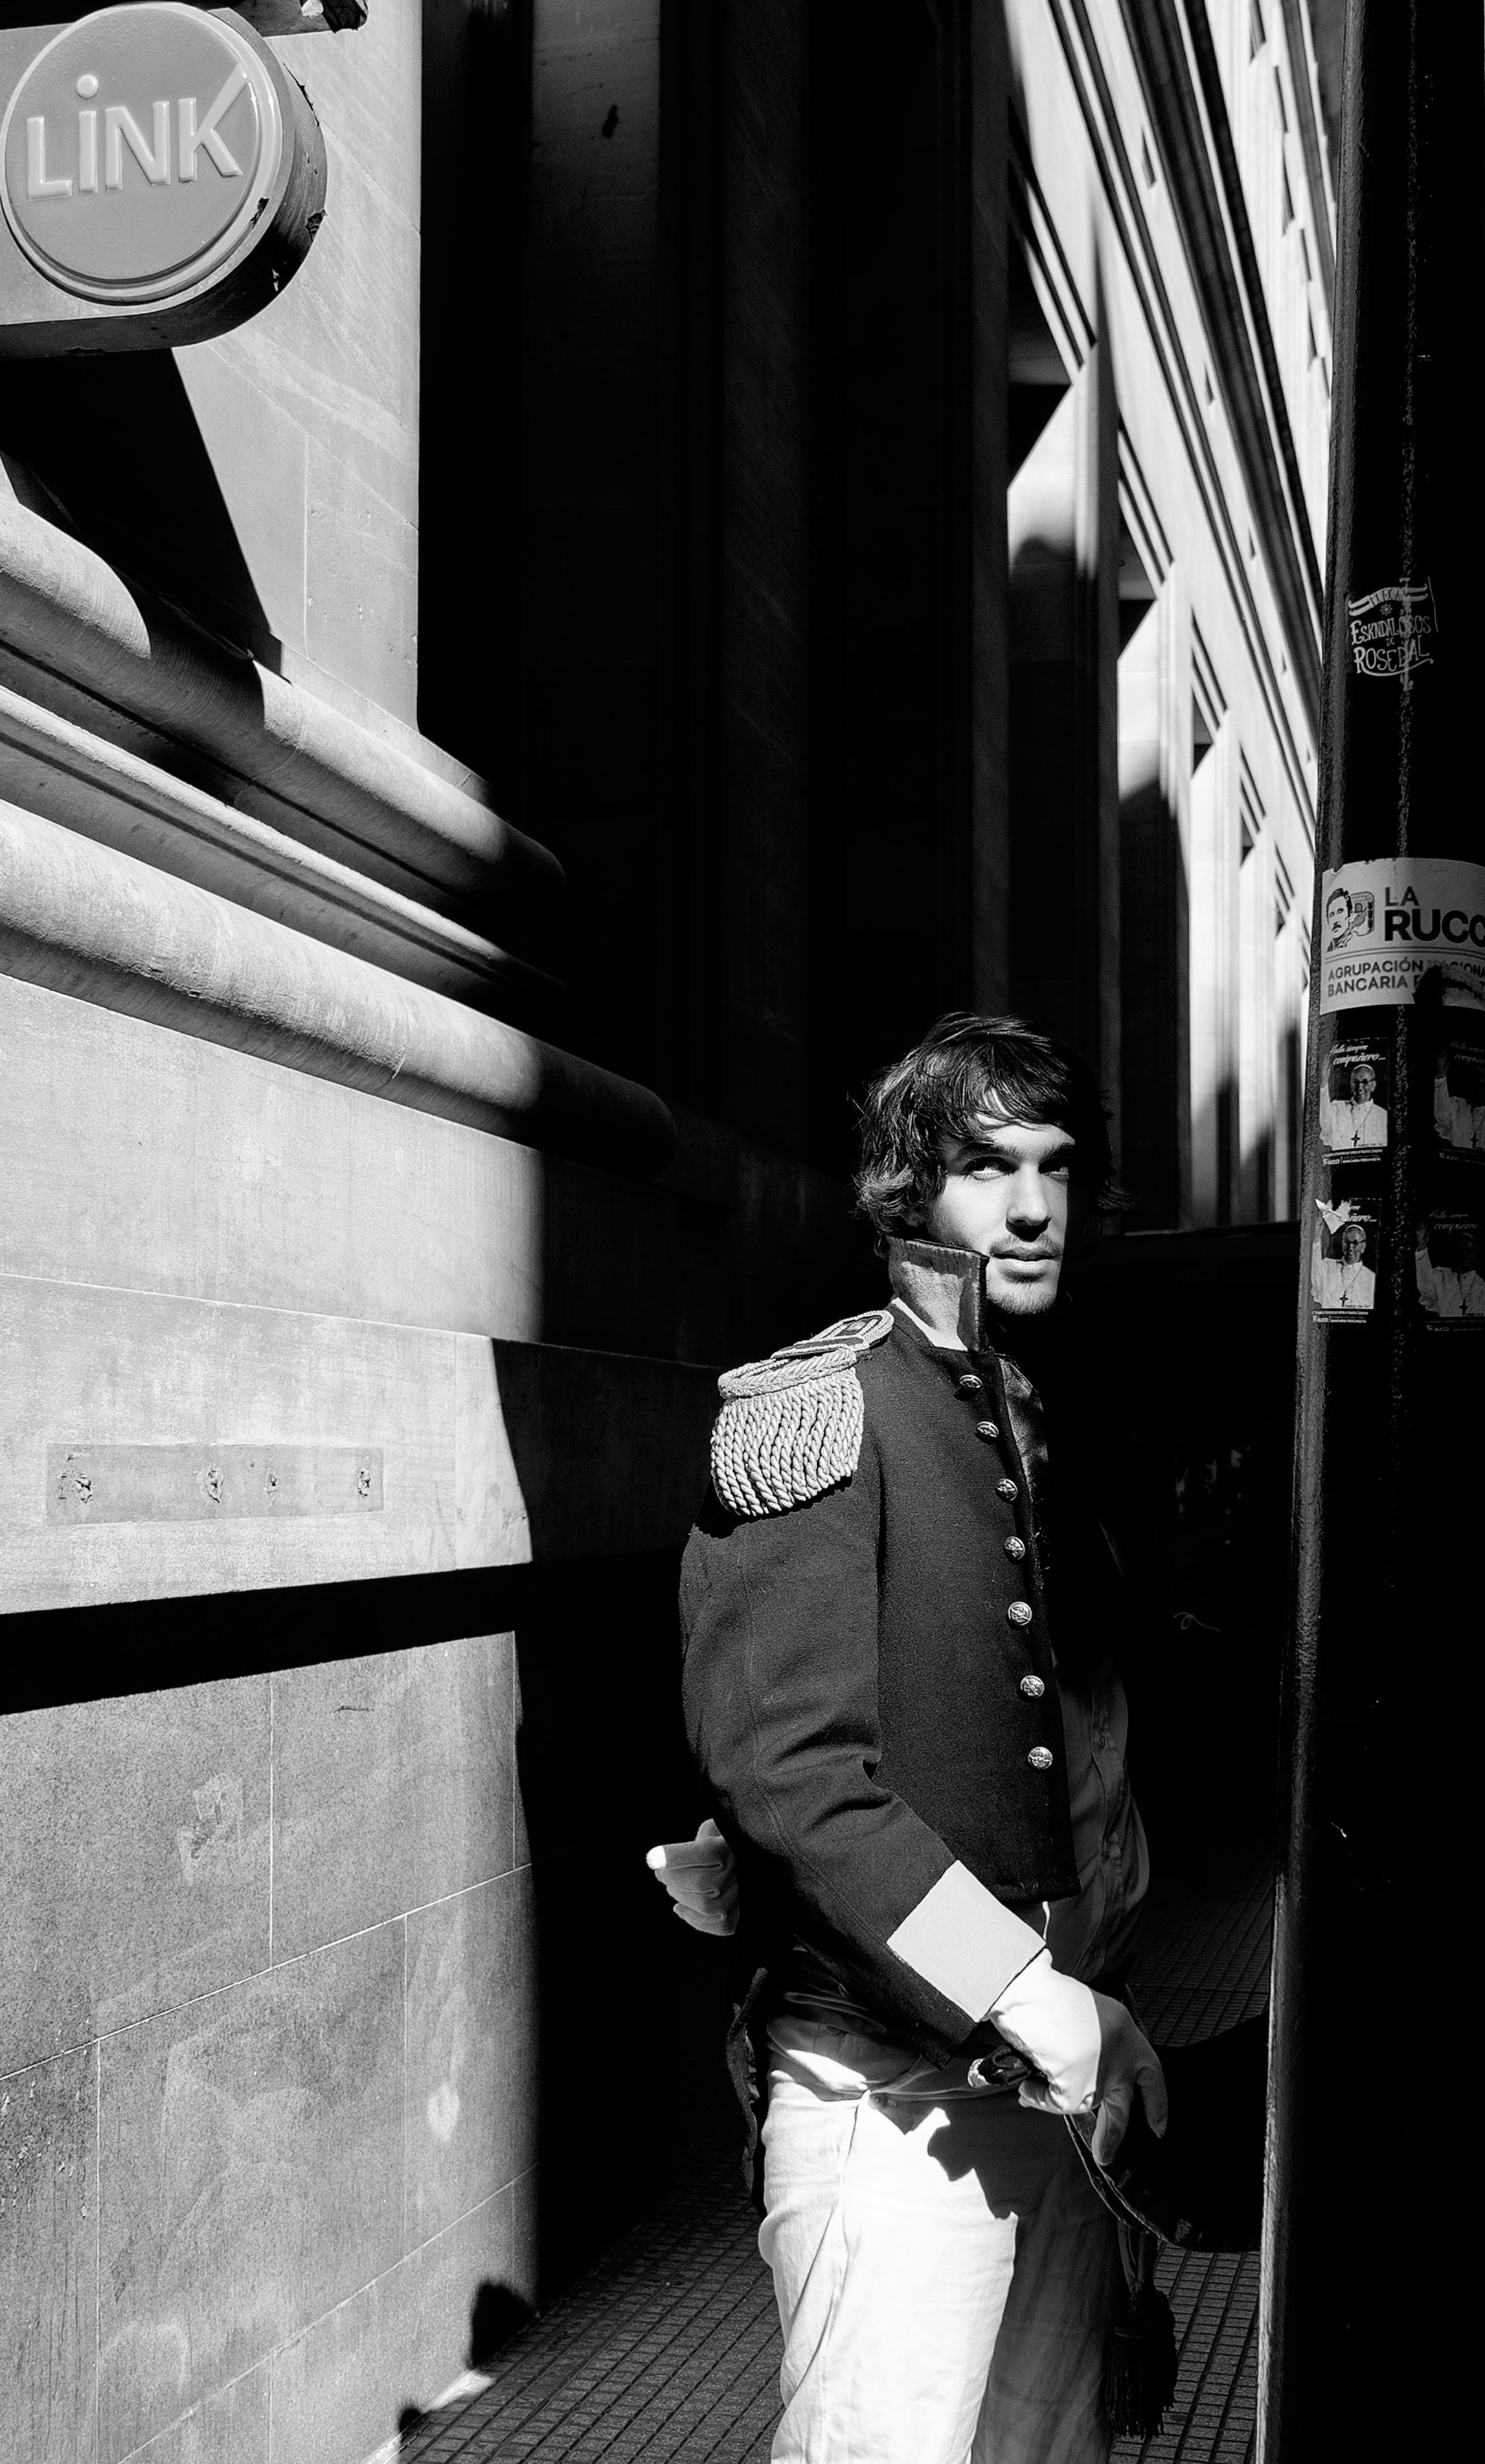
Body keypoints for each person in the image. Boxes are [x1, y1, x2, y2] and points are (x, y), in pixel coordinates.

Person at [652, 1015, 1164, 2464]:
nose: (1033, 1207)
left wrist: (1097, 1997)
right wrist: (1013, 1980)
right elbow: (792, 1775)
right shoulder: (822, 1406)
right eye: (988, 1168)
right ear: (903, 1191)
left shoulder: (1032, 1413)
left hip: (1056, 2086)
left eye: (1058, 1168)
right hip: (887, 2100)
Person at [1414, 1218, 1485, 1317]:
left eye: (1469, 1251)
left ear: (1475, 1254)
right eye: (1461, 1251)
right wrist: (1421, 1248)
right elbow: (1426, 1288)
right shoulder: (1442, 1276)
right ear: (1456, 1253)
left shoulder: (1482, 1285)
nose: (1465, 1256)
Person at [1311, 1204, 1376, 1311]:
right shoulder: (1327, 1266)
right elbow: (1315, 1274)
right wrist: (1317, 1238)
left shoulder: (1371, 1278)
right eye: (1347, 1242)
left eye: (1355, 1243)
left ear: (1363, 1247)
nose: (1350, 1247)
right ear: (1342, 1244)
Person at [1320, 1058, 1387, 1151]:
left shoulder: (1383, 1116)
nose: (1360, 1087)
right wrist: (1324, 1084)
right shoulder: (1337, 1108)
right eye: (1356, 1082)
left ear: (1373, 1085)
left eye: (1365, 1082)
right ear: (1351, 1086)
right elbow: (1325, 1125)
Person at [1433, 1048, 1485, 1150]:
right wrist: (1441, 1078)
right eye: (1475, 1083)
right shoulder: (1457, 1105)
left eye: (1482, 1084)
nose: (1478, 1088)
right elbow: (1442, 1116)